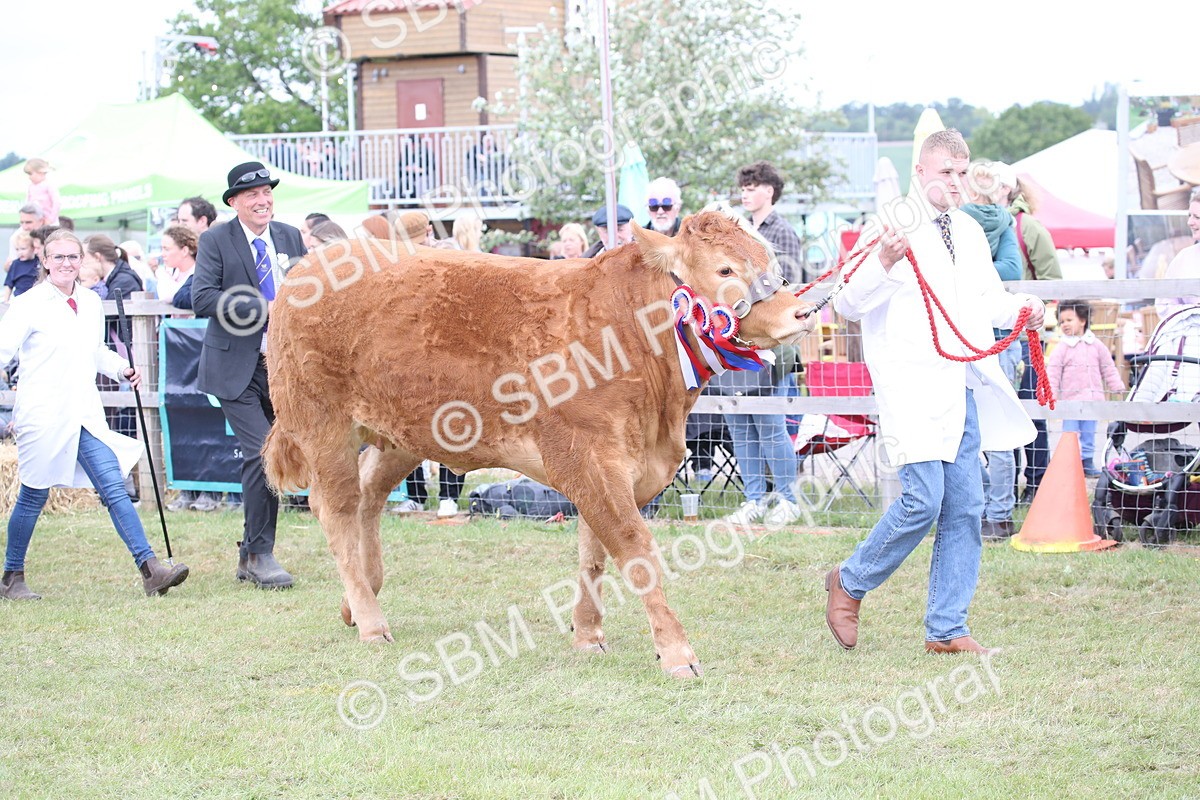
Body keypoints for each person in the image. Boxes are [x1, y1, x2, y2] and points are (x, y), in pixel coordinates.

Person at [824, 129, 1045, 655]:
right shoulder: (889, 223)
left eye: (962, 172)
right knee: (922, 502)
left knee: (966, 506)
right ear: (921, 171)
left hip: (961, 383)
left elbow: (985, 298)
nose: (956, 181)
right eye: (946, 171)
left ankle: (947, 629)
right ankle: (850, 582)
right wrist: (882, 261)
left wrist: (1022, 308)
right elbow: (847, 303)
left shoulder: (967, 231)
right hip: (910, 385)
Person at [0, 230, 189, 600]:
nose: (67, 264)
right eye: (59, 258)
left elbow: (97, 351)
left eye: (73, 257)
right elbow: (3, 350)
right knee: (33, 496)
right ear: (45, 261)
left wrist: (122, 368)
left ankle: (151, 570)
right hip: (43, 415)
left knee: (114, 487)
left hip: (85, 413)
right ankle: (11, 577)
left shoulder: (89, 301)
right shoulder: (28, 303)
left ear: (82, 260)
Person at [192, 161, 307, 589]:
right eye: (252, 195)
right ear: (234, 202)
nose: (263, 200)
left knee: (274, 454)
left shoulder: (290, 236)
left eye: (267, 192)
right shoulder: (215, 240)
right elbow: (201, 297)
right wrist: (265, 309)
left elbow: (307, 287)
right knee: (263, 452)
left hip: (282, 367)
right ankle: (261, 556)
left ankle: (249, 553)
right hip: (234, 368)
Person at [714, 161, 804, 527]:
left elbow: (791, 283)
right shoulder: (739, 234)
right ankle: (755, 498)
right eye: (744, 187)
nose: (746, 193)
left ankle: (788, 497)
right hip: (736, 341)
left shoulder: (781, 232)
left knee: (769, 424)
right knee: (739, 422)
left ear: (769, 190)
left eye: (752, 187)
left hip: (772, 342)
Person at [989, 162, 1060, 505]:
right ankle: (1006, 492)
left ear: (1006, 189)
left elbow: (1051, 281)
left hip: (1025, 335)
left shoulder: (1027, 227)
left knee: (1032, 411)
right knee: (1000, 412)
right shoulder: (976, 224)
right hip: (990, 338)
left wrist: (1028, 308)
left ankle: (1037, 484)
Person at [962, 161, 1023, 540]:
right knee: (999, 425)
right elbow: (1012, 268)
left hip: (968, 334)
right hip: (998, 332)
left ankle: (986, 506)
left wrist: (965, 273)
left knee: (968, 427)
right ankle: (998, 513)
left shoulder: (951, 223)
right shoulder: (1005, 223)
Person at [1048, 301, 1126, 476]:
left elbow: (1108, 367)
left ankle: (1087, 462)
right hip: (1070, 402)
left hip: (1092, 400)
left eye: (1069, 320)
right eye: (1062, 322)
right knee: (1070, 434)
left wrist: (1117, 386)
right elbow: (1052, 373)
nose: (1065, 325)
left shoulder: (1095, 345)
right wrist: (1051, 395)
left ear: (1083, 320)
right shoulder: (1061, 348)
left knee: (1089, 434)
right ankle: (1070, 463)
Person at [1156, 188, 1200, 313]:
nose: (1189, 222)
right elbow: (1164, 303)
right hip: (1189, 332)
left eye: (1197, 217)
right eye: (1189, 216)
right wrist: (1191, 315)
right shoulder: (1184, 258)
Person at [2, 232, 40, 302]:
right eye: (17, 249)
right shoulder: (15, 264)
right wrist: (5, 300)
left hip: (36, 297)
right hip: (19, 298)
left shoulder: (38, 261)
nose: (20, 252)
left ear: (33, 248)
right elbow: (9, 284)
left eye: (23, 249)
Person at [23, 159, 60, 226]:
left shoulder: (49, 185)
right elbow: (28, 204)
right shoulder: (31, 187)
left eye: (30, 174)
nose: (29, 177)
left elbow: (56, 203)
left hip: (50, 223)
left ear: (40, 172)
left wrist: (50, 219)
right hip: (35, 223)